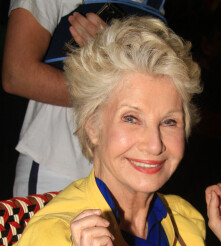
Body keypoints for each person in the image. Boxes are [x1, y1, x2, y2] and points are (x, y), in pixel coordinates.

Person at [0, 16, 221, 246]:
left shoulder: (183, 219)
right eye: (132, 118)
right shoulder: (61, 245)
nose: (154, 143)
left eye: (169, 121)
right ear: (93, 126)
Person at [2, 0, 162, 197]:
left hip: (129, 166)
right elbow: (17, 75)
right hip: (59, 163)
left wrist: (117, 58)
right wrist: (116, 87)